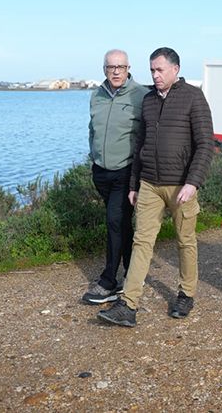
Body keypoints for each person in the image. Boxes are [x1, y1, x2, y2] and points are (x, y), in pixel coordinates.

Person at [97, 47, 214, 327]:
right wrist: (135, 184)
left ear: (175, 69)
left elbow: (205, 144)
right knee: (141, 242)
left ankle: (186, 294)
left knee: (185, 241)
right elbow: (140, 144)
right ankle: (128, 305)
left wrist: (193, 182)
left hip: (181, 186)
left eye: (160, 70)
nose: (155, 75)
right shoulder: (148, 100)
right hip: (149, 184)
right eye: (152, 70)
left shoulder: (193, 97)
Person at [82, 50, 149, 304]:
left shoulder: (140, 96)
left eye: (121, 66)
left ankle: (109, 281)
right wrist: (94, 156)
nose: (116, 71)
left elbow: (147, 135)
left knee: (114, 221)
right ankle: (134, 272)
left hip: (125, 171)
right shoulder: (96, 96)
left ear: (129, 67)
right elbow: (92, 130)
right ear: (104, 69)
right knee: (120, 224)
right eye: (111, 67)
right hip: (100, 171)